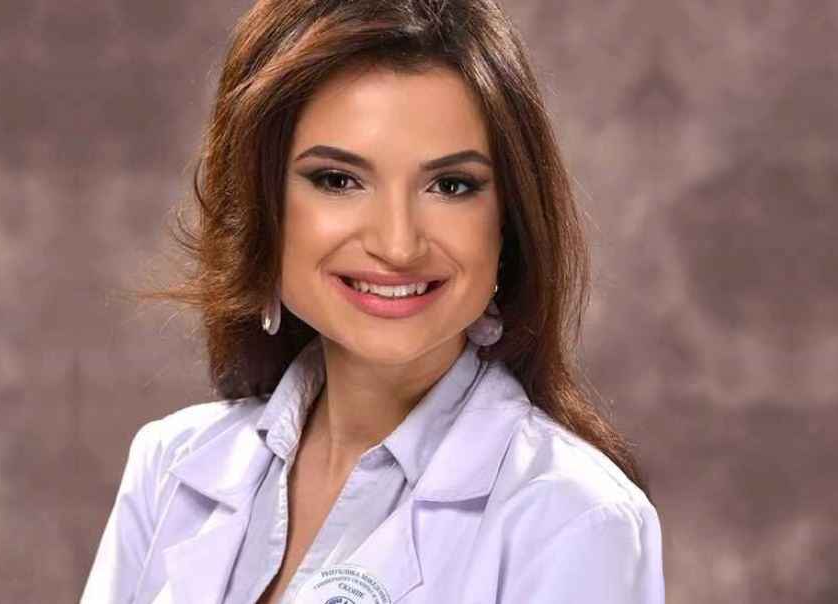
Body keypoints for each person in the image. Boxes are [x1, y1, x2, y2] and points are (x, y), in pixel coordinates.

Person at [80, 0, 665, 602]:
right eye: (338, 180)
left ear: (507, 221)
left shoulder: (574, 521)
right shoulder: (169, 467)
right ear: (260, 204)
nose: (397, 245)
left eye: (450, 185)